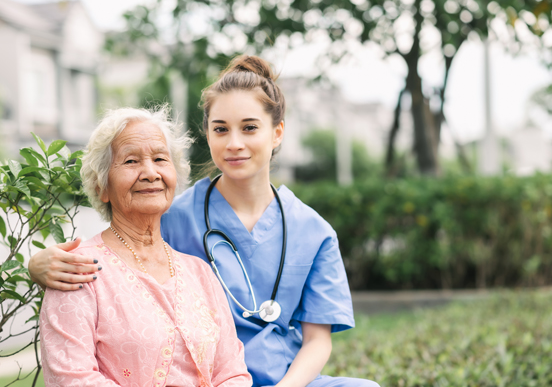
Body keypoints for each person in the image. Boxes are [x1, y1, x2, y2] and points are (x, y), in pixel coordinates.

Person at [30, 56, 379, 387]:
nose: (235, 143)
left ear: (277, 133)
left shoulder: (313, 232)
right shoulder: (173, 214)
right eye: (221, 129)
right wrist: (36, 264)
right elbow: (119, 246)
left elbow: (317, 341)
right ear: (207, 135)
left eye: (250, 128)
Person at [39, 107, 251, 386]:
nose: (150, 172)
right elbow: (72, 378)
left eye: (160, 159)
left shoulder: (200, 273)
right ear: (101, 185)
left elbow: (232, 372)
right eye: (131, 161)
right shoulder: (76, 270)